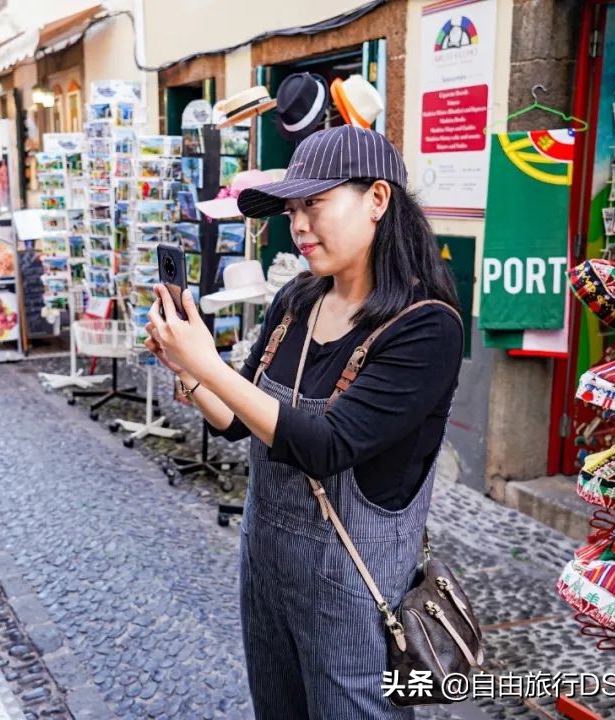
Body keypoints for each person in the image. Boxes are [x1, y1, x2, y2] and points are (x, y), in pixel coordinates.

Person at [145, 125, 463, 719]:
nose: (299, 225)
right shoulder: (298, 299)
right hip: (266, 567)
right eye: (292, 210)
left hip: (358, 594)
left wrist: (208, 365)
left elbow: (328, 444)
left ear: (377, 199)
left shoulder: (426, 327)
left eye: (314, 204)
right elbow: (236, 422)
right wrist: (186, 368)